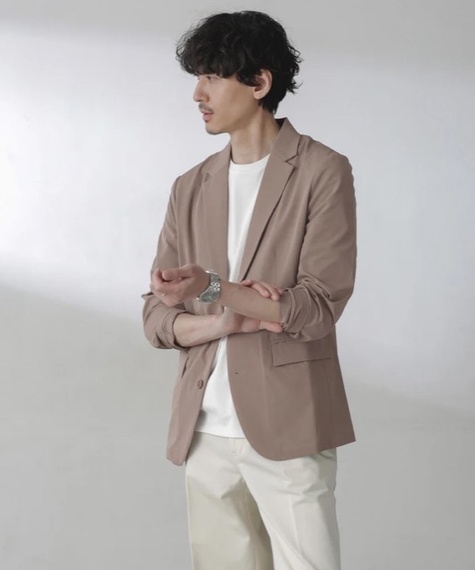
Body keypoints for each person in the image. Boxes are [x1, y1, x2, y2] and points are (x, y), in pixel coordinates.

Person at [142, 10, 356, 570]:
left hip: (289, 423)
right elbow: (155, 318)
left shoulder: (322, 171)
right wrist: (228, 318)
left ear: (259, 82)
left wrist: (215, 288)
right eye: (198, 78)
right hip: (204, 429)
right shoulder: (189, 187)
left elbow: (317, 307)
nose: (198, 94)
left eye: (212, 76)